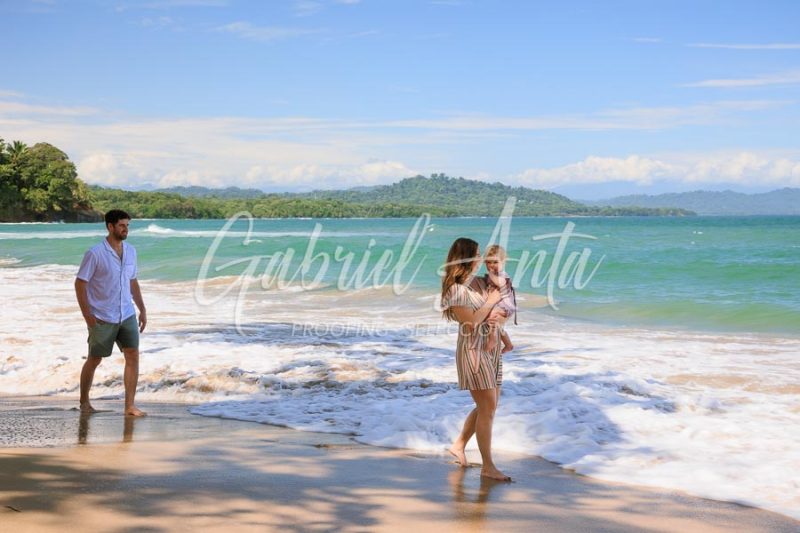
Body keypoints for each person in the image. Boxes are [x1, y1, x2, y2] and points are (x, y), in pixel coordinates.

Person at [441, 237, 511, 481]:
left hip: (491, 350)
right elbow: (470, 324)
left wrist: (501, 331)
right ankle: (488, 466)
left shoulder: (479, 283)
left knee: (489, 407)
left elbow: (501, 306)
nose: (482, 258)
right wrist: (491, 302)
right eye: (478, 254)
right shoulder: (455, 290)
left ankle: (459, 445)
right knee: (487, 407)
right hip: (473, 350)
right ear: (467, 258)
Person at [75, 209, 147, 417]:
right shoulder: (95, 253)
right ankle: (84, 401)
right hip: (102, 316)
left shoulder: (131, 251)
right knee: (95, 359)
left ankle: (129, 406)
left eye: (127, 225)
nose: (126, 229)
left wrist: (142, 308)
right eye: (122, 225)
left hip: (126, 313)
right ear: (110, 227)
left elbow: (132, 282)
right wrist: (87, 315)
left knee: (132, 355)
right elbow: (80, 284)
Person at [482, 245, 516, 356]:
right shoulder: (491, 276)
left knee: (491, 315)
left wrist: (491, 274)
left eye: (495, 262)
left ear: (503, 262)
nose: (491, 265)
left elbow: (500, 283)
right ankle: (508, 345)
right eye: (488, 262)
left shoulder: (502, 275)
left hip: (506, 305)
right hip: (498, 305)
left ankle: (493, 339)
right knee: (497, 326)